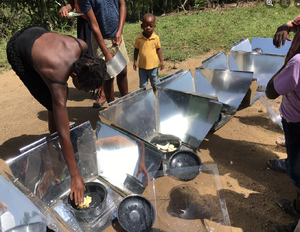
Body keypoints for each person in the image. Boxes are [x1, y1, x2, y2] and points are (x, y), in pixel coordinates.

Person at [6, 26, 106, 206]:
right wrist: (75, 176)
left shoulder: (81, 46)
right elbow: (64, 131)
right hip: (18, 49)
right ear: (74, 74)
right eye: (83, 87)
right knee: (50, 100)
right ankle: (54, 152)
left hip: (36, 32)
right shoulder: (58, 77)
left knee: (58, 97)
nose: (83, 91)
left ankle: (57, 149)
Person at [267, 15, 300, 232]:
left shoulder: (297, 63)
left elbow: (270, 91)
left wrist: (286, 67)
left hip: (296, 121)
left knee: (298, 171)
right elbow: (290, 24)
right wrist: (284, 28)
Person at [77, 0, 130, 105]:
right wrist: (106, 53)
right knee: (108, 76)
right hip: (101, 39)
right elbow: (94, 25)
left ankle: (127, 103)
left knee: (123, 71)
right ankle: (113, 107)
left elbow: (122, 4)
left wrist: (119, 31)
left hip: (117, 35)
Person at [133, 13, 164, 96]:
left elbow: (158, 50)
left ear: (154, 27)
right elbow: (136, 50)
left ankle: (154, 96)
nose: (148, 28)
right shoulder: (138, 38)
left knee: (154, 83)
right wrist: (135, 61)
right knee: (143, 85)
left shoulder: (156, 38)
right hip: (142, 67)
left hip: (153, 67)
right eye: (146, 25)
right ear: (142, 26)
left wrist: (161, 61)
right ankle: (144, 97)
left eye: (151, 26)